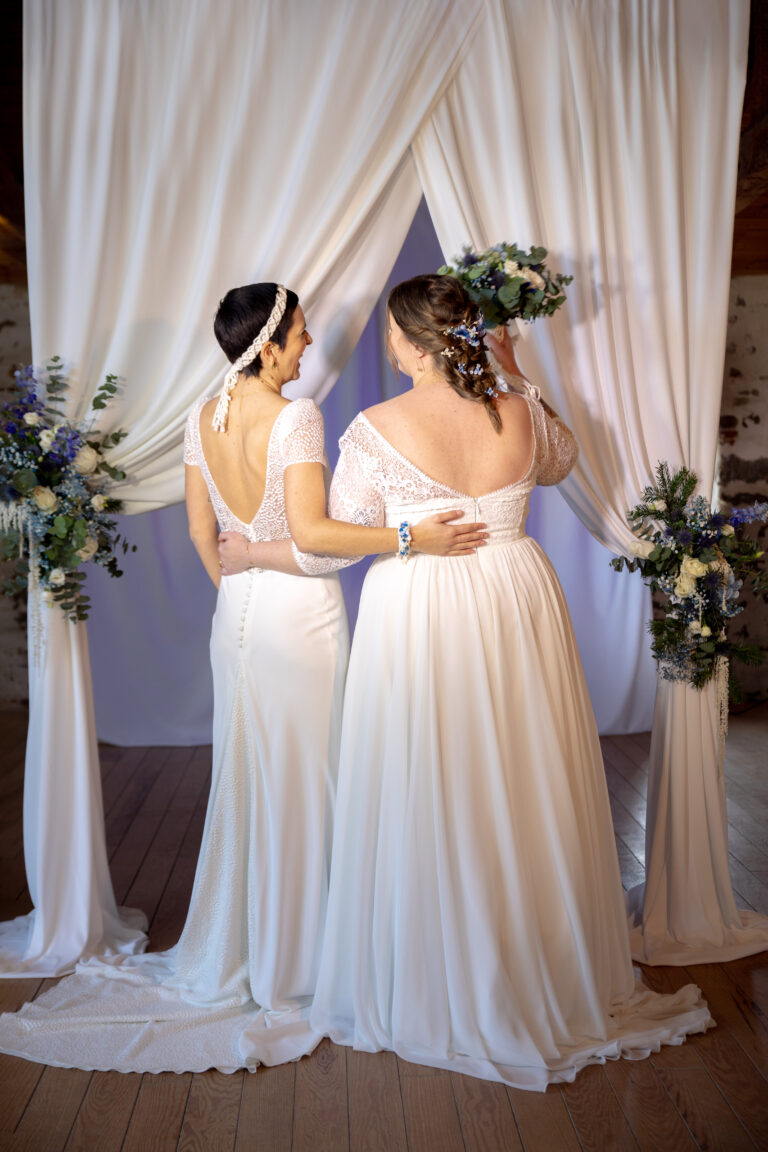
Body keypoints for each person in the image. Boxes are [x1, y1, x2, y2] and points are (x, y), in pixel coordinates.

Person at [222, 273, 712, 1090]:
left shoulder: (375, 429)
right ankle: (533, 965)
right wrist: (515, 371)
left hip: (423, 609)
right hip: (517, 594)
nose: (385, 342)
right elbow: (561, 462)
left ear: (414, 343)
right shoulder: (517, 409)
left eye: (390, 331)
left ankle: (439, 975)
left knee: (433, 777)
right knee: (523, 777)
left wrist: (256, 552)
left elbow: (328, 545)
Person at [0, 282, 484, 1075]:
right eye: (299, 333)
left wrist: (239, 590)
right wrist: (409, 537)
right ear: (268, 345)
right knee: (310, 778)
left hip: (238, 617)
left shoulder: (203, 416)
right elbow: (315, 536)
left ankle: (252, 946)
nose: (309, 345)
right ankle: (305, 962)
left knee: (253, 776)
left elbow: (203, 529)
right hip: (301, 615)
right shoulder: (297, 417)